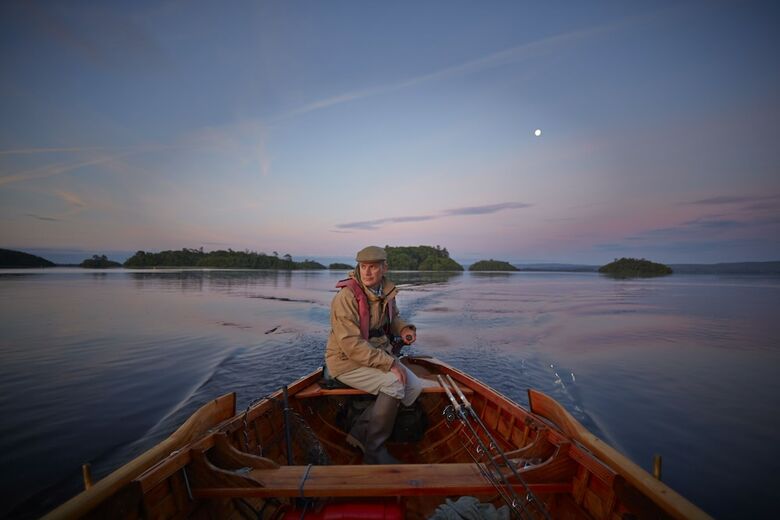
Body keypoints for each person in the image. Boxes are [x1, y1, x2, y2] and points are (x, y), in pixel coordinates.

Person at [325, 245, 424, 464]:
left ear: (384, 268)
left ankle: (360, 432)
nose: (367, 272)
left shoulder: (386, 292)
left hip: (376, 354)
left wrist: (404, 328)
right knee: (394, 384)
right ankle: (374, 450)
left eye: (373, 267)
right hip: (345, 361)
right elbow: (351, 345)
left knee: (415, 387)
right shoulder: (346, 297)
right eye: (363, 267)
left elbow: (393, 318)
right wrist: (390, 364)